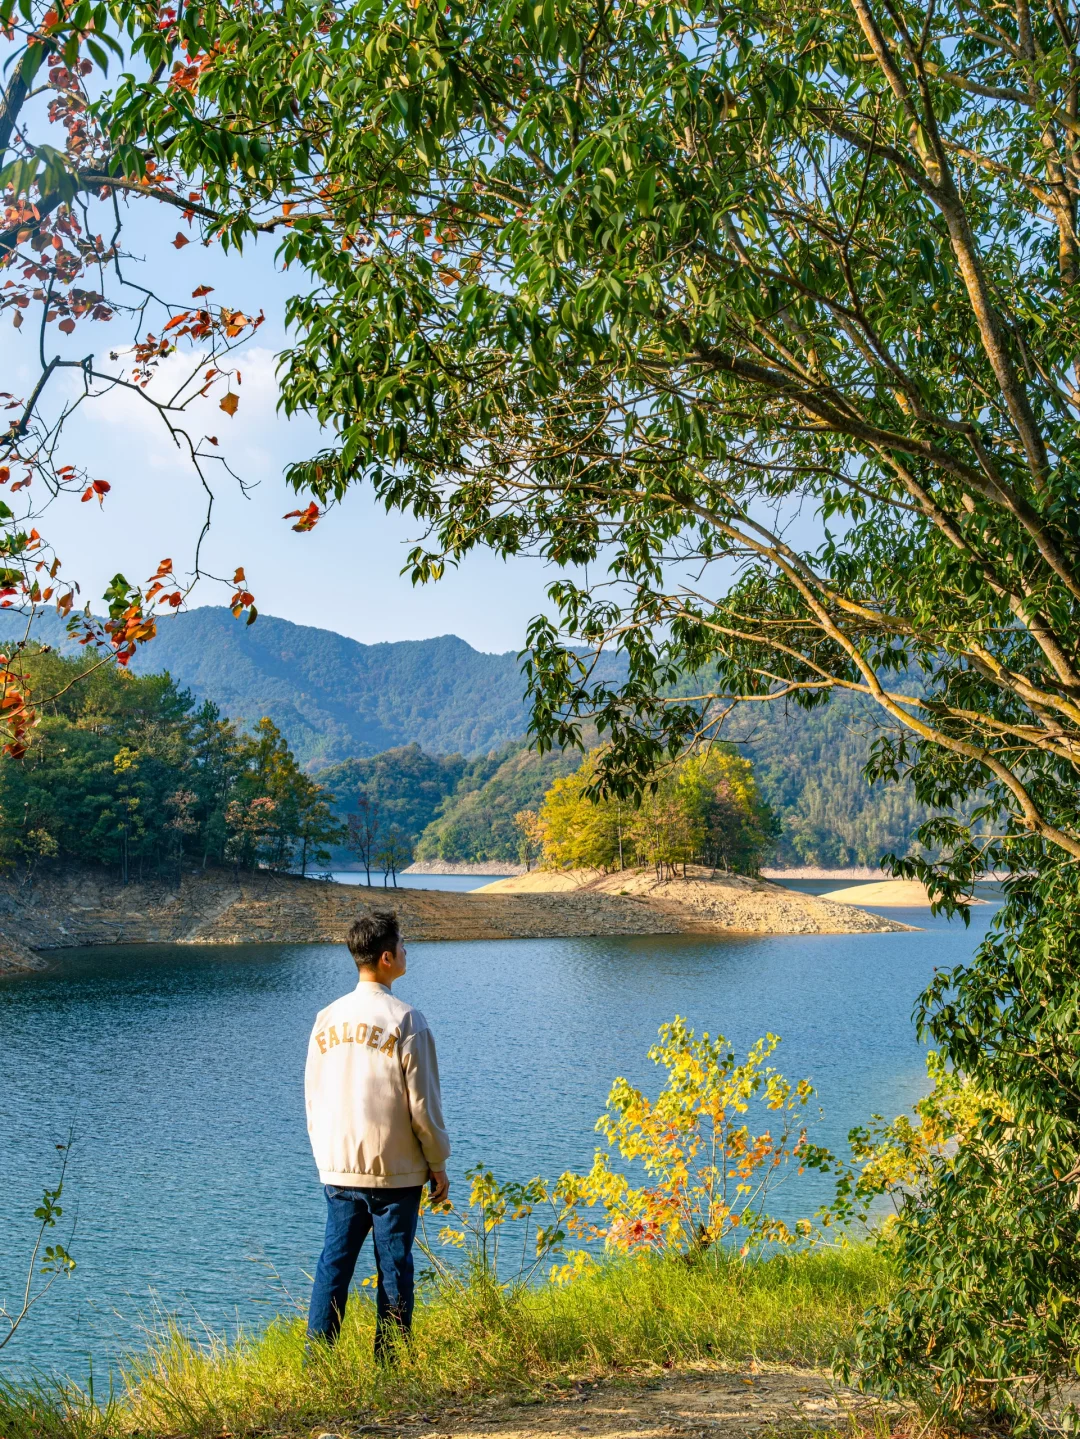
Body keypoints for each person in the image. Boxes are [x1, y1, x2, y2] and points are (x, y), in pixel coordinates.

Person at [305, 909, 451, 1358]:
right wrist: (438, 1162)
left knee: (334, 1265)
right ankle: (389, 1364)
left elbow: (312, 1094)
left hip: (340, 1166)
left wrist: (325, 1156)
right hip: (396, 1170)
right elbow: (422, 1103)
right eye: (404, 945)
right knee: (395, 1268)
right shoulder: (407, 1019)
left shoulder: (326, 1018)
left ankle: (318, 1361)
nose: (408, 951)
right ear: (387, 958)